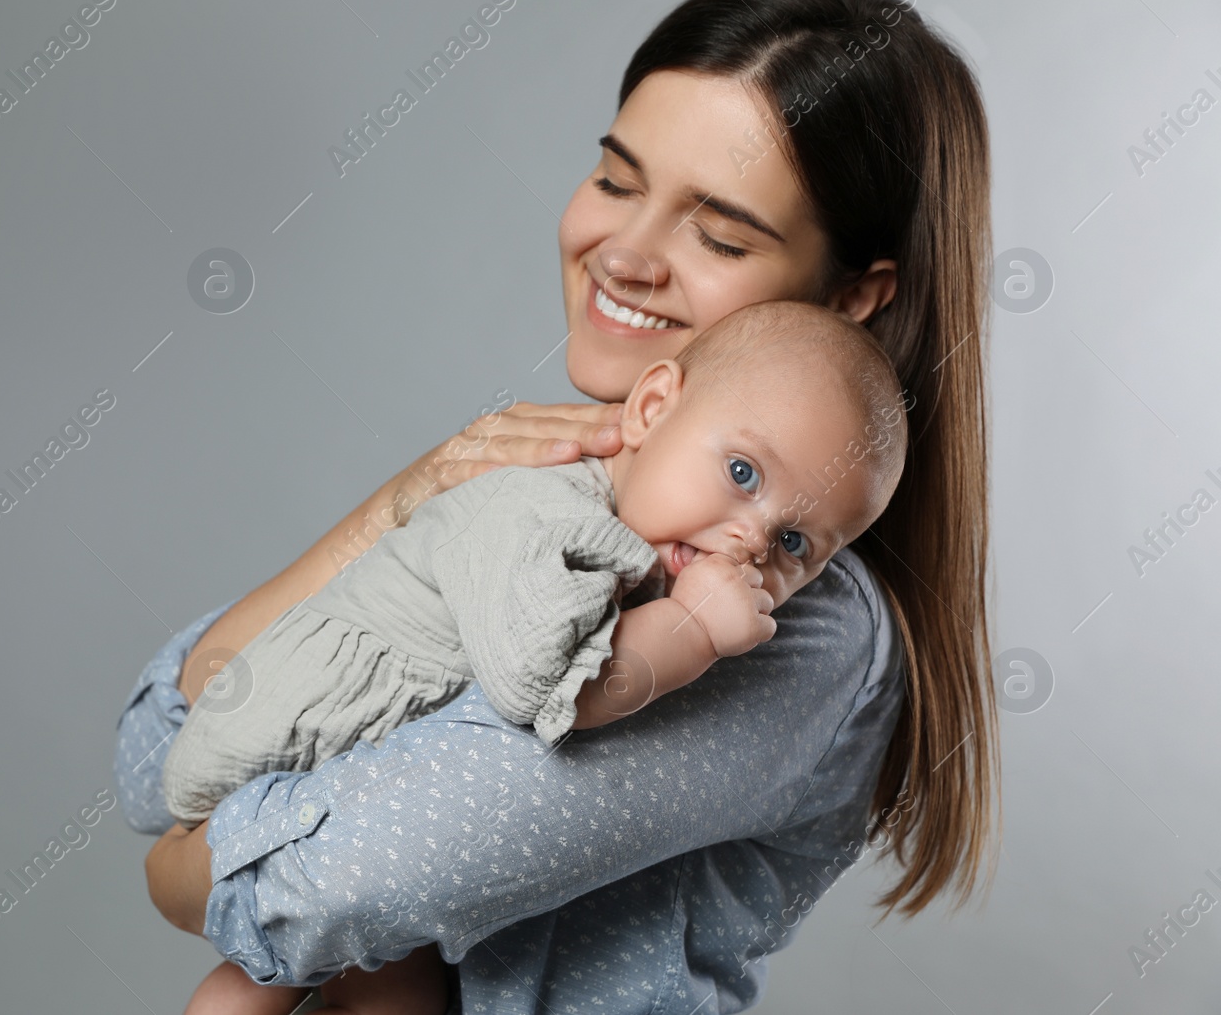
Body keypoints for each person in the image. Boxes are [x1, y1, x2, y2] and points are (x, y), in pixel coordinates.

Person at [117, 0, 999, 1014]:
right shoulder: (542, 496)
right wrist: (400, 508)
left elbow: (331, 886)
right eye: (618, 181)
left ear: (855, 296)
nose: (623, 254)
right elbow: (162, 756)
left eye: (719, 235)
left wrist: (180, 868)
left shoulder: (783, 615)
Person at [162, 301, 910, 1015]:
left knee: (383, 992)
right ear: (651, 409)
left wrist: (187, 872)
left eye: (794, 544)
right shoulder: (548, 514)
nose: (750, 538)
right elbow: (548, 688)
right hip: (299, 740)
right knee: (281, 980)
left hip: (314, 780)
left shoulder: (824, 633)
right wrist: (692, 625)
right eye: (743, 474)